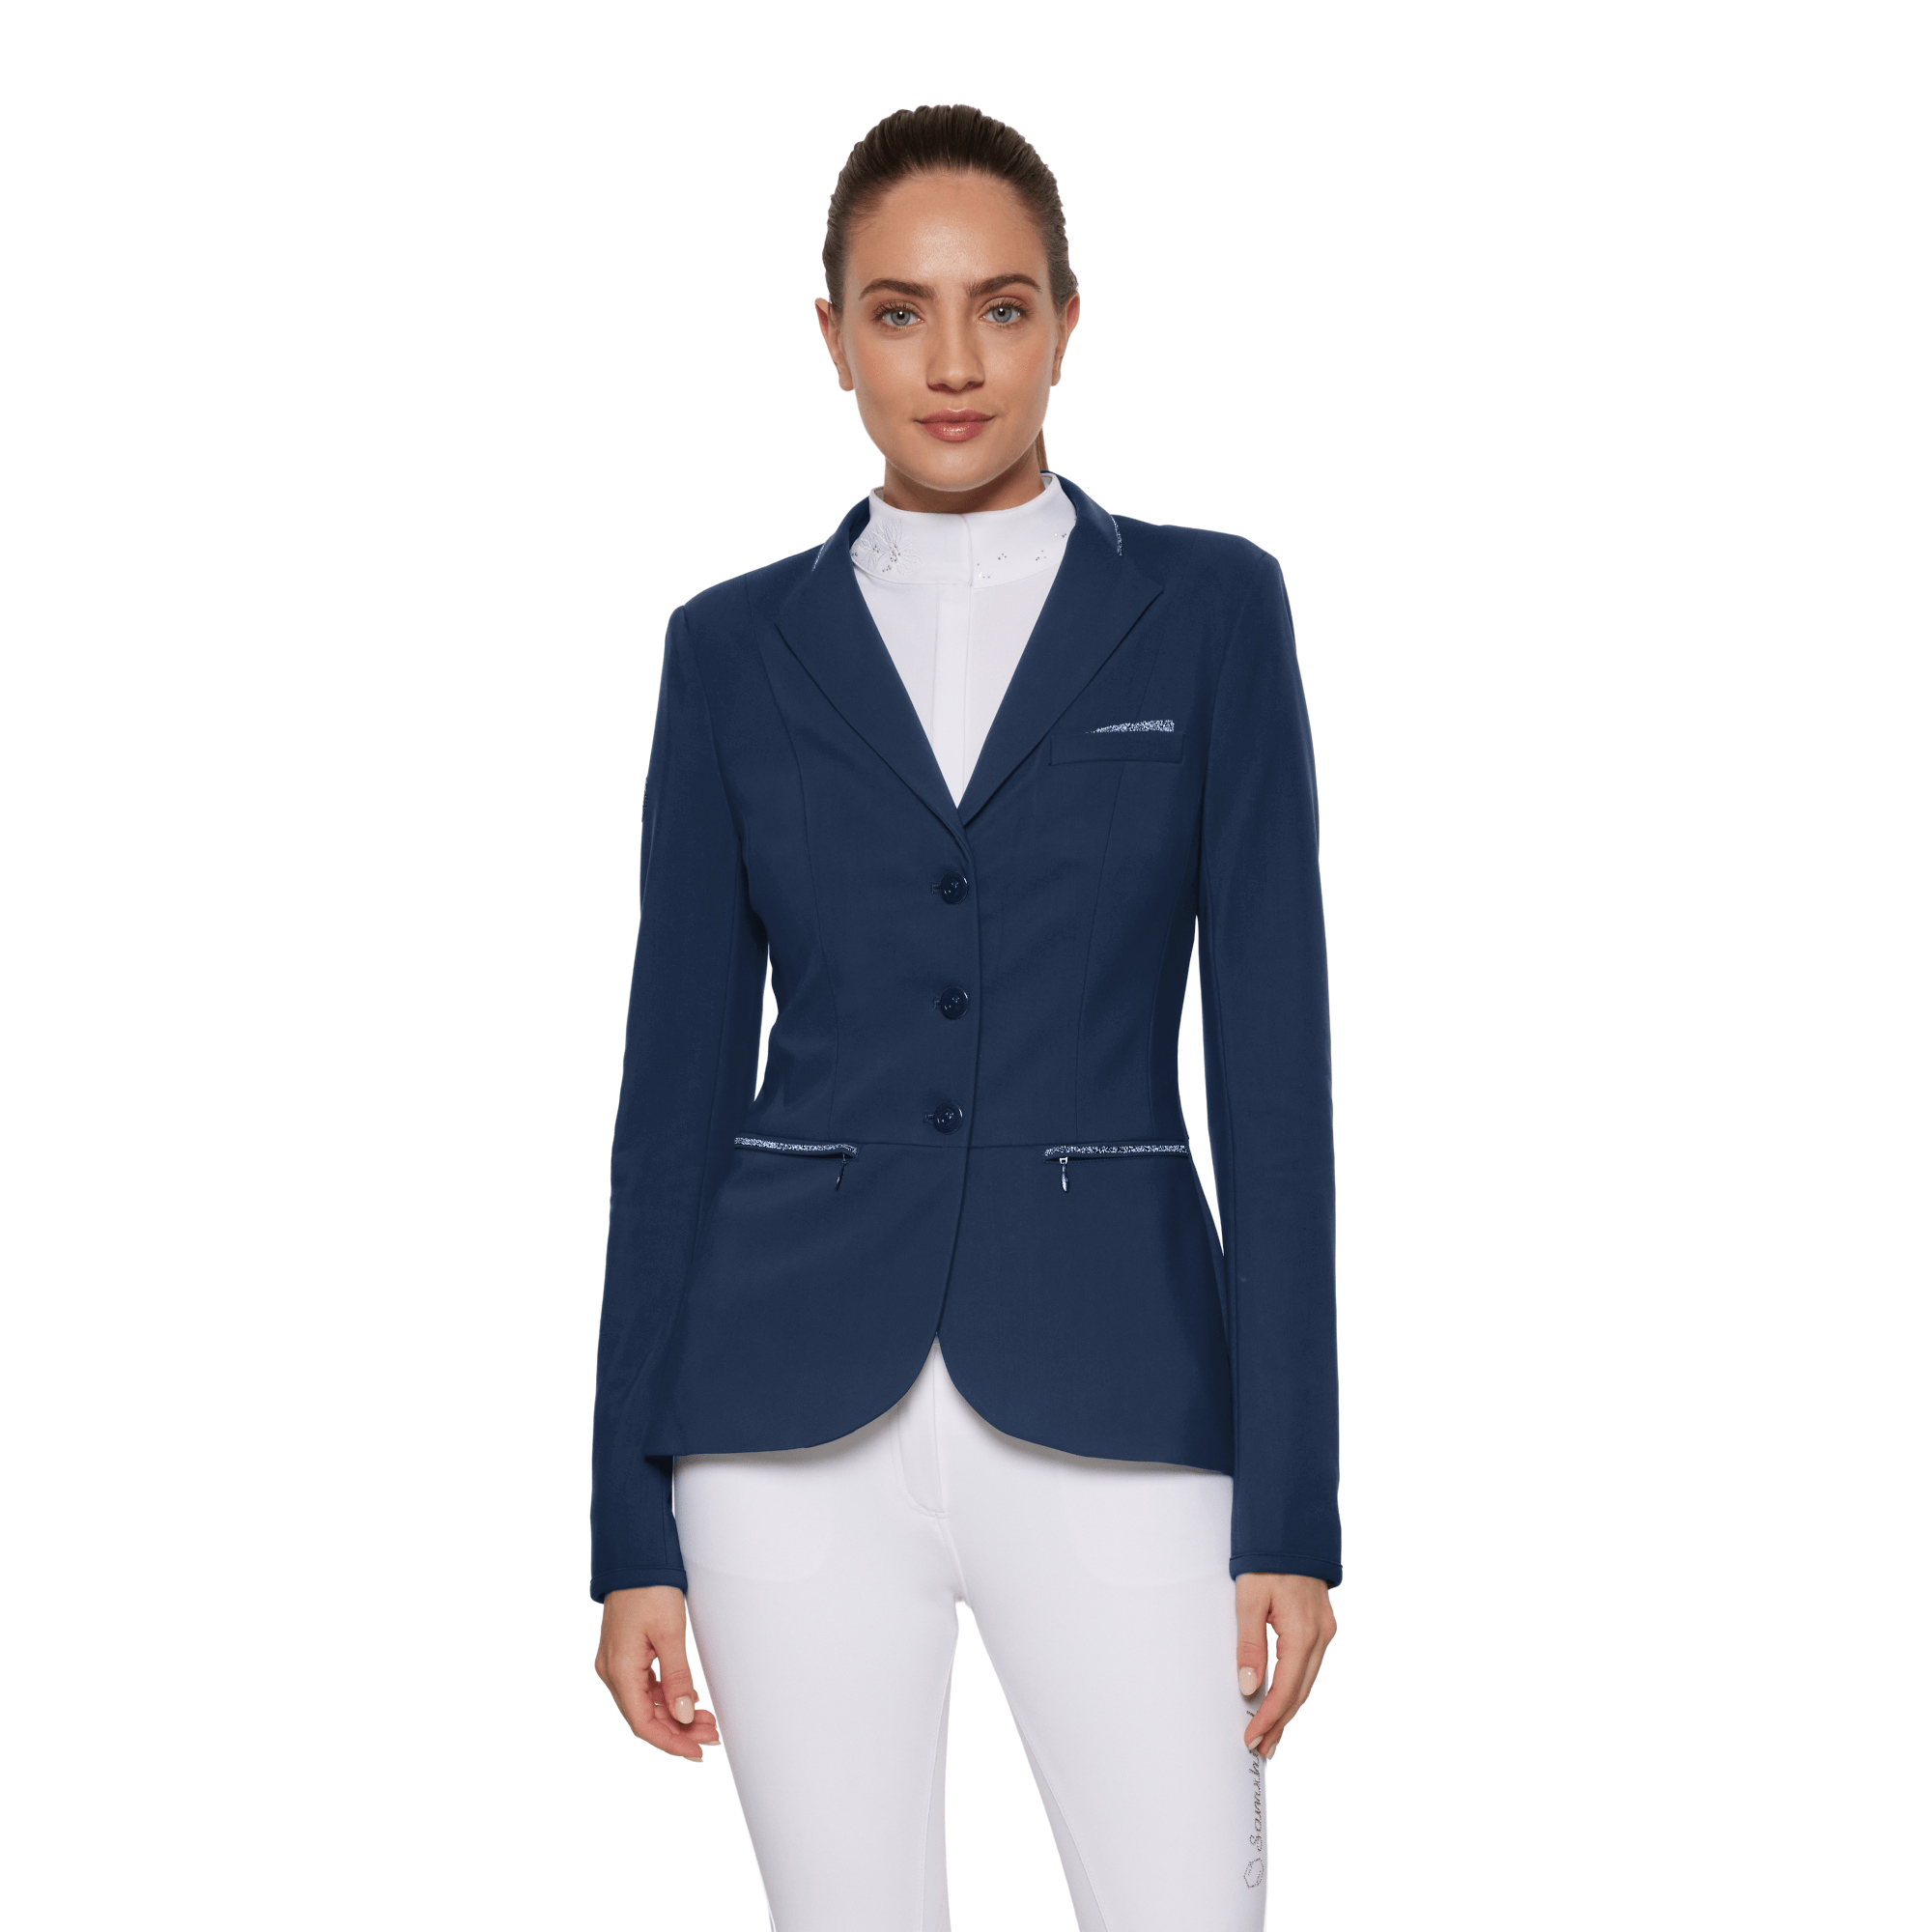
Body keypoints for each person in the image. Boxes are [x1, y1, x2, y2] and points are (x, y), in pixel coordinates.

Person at [590, 103, 1339, 1930]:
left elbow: (1277, 1083)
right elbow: (668, 1106)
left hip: (1124, 1393)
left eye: (1000, 307)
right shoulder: (728, 650)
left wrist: (1293, 1512)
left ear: (1068, 322)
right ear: (831, 335)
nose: (952, 361)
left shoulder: (1210, 611)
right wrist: (625, 1528)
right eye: (899, 311)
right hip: (778, 1426)